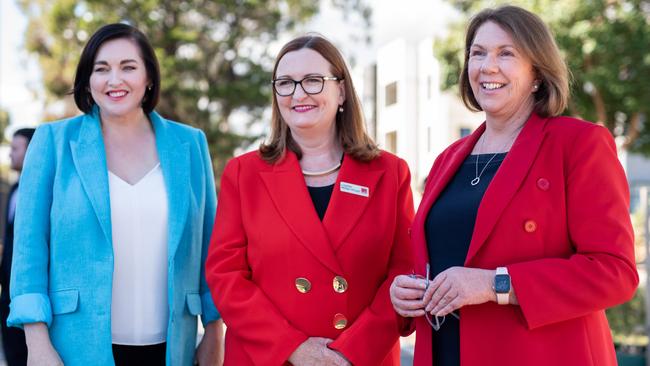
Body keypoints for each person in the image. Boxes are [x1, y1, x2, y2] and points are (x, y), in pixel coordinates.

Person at [389, 5, 638, 366]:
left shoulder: (579, 144)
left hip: (541, 355)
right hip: (445, 353)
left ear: (537, 71)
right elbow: (435, 258)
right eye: (478, 53)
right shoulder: (447, 158)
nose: (488, 66)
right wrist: (405, 294)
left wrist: (494, 285)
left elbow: (615, 272)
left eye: (507, 53)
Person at [7, 24, 223, 365]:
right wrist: (37, 343)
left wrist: (214, 331)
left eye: (128, 67)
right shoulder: (53, 142)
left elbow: (212, 247)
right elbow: (29, 251)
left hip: (173, 349)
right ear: (87, 80)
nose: (114, 80)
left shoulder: (190, 144)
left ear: (149, 76)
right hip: (72, 350)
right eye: (101, 69)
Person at [206, 35, 414, 366]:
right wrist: (293, 348)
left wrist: (351, 351)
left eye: (314, 81)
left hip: (361, 358)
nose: (299, 94)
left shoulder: (390, 173)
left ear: (341, 90)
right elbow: (225, 275)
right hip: (269, 358)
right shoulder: (243, 173)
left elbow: (405, 275)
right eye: (285, 83)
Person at [0, 128, 35, 366]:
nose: (10, 155)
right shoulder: (14, 189)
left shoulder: (44, 190)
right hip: (7, 290)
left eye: (15, 149)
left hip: (28, 290)